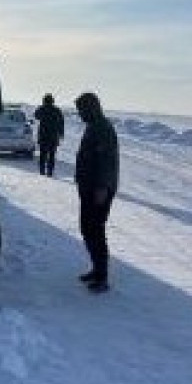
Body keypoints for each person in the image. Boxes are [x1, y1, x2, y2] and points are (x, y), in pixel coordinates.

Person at [73, 91, 119, 293]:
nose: (80, 115)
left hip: (98, 190)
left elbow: (107, 161)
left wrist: (102, 187)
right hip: (89, 187)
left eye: (82, 110)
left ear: (90, 108)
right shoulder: (94, 126)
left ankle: (102, 278)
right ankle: (96, 269)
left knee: (95, 231)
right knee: (88, 229)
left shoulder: (102, 128)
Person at [32, 93, 64, 176]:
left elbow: (36, 115)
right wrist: (61, 133)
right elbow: (61, 122)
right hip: (53, 136)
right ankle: (49, 172)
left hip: (43, 136)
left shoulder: (42, 109)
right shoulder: (56, 110)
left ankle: (42, 171)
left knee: (43, 154)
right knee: (51, 155)